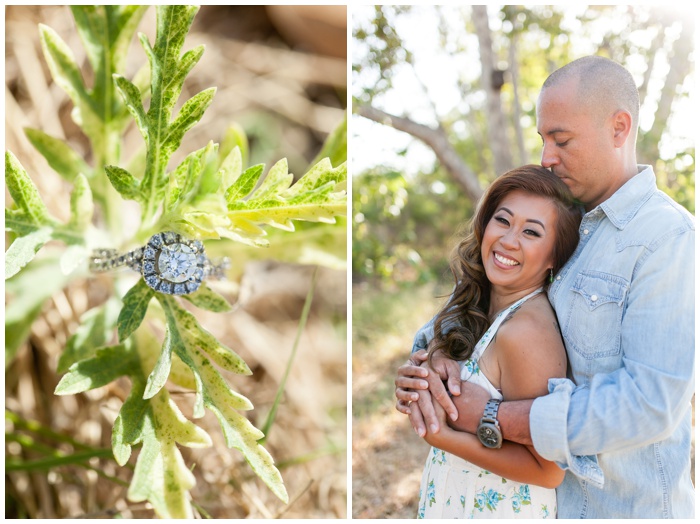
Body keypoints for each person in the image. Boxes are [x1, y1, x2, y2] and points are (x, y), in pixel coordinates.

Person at [395, 55, 695, 519]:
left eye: (561, 140)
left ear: (619, 128)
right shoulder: (560, 219)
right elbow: (481, 317)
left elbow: (652, 403)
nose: (546, 157)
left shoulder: (667, 238)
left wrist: (494, 417)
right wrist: (433, 359)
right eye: (543, 139)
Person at [414, 165, 582, 519]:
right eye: (503, 221)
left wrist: (443, 437)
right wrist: (422, 376)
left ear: (554, 257)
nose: (508, 240)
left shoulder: (526, 333)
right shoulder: (483, 307)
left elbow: (548, 470)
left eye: (532, 232)